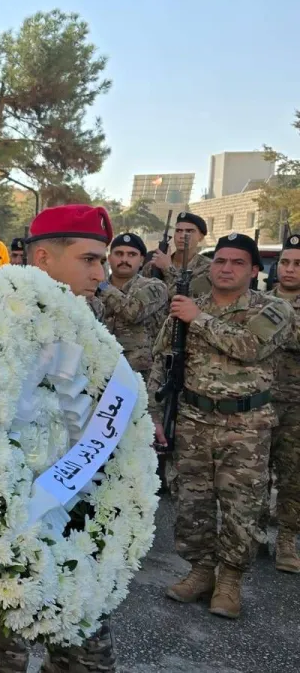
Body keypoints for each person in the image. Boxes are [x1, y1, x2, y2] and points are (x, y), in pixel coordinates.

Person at [0, 204, 118, 672]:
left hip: (76, 512)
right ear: (43, 258)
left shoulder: (90, 321)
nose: (100, 274)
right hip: (8, 520)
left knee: (87, 656)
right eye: (89, 260)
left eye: (102, 261)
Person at [148, 232, 290, 619]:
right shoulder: (188, 307)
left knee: (242, 506)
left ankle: (230, 580)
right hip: (193, 419)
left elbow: (251, 347)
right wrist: (155, 415)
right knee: (191, 502)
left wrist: (198, 318)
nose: (226, 268)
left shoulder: (272, 308)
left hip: (246, 425)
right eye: (220, 261)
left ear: (254, 270)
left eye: (237, 262)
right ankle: (200, 571)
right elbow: (162, 361)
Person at [268, 232, 300, 573]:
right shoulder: (259, 301)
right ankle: (253, 534)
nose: (289, 269)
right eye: (285, 262)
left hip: (296, 407)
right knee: (253, 475)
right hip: (259, 402)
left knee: (292, 477)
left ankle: (287, 540)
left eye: (298, 264)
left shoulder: (262, 310)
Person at [98, 233, 168, 380]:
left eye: (131, 255)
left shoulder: (155, 287)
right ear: (109, 258)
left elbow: (133, 312)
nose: (124, 259)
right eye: (119, 254)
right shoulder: (93, 289)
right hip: (101, 373)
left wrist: (102, 285)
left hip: (140, 377)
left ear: (141, 260)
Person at [145, 212, 211, 297]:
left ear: (201, 237)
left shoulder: (208, 268)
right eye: (179, 231)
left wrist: (168, 269)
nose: (182, 236)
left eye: (189, 231)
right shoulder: (154, 265)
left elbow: (188, 297)